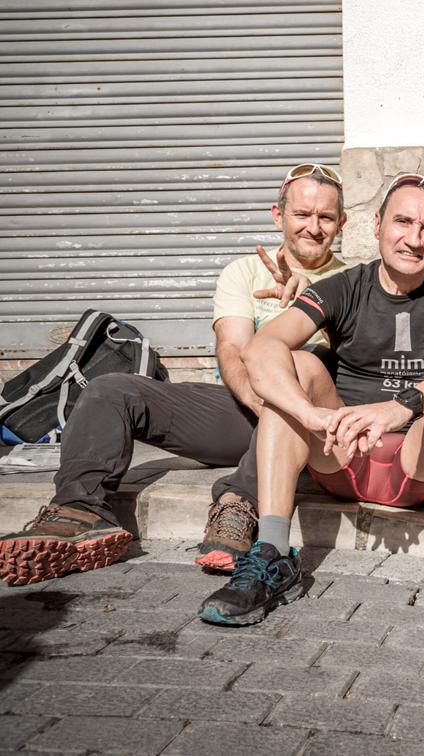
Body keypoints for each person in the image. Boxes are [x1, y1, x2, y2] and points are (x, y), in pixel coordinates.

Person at [0, 164, 349, 586]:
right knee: (110, 390)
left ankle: (240, 502)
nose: (313, 227)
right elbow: (233, 351)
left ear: (341, 223)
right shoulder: (243, 272)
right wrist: (267, 403)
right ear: (278, 215)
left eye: (325, 217)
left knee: (299, 369)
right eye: (302, 215)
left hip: (312, 425)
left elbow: (356, 361)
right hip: (243, 409)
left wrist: (312, 311)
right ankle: (80, 510)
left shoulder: (353, 280)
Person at [197, 173, 424, 643]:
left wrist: (401, 408)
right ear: (377, 224)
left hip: (414, 463)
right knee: (295, 365)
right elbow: (262, 349)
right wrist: (310, 415)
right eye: (402, 222)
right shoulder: (344, 285)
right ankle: (272, 556)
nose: (414, 239)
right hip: (340, 452)